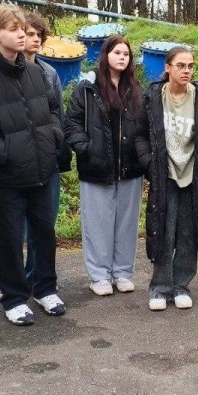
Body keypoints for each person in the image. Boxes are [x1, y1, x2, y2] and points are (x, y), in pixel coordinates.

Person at [0, 4, 66, 326]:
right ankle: (15, 298)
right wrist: (3, 153)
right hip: (4, 176)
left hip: (42, 169)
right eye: (13, 29)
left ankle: (45, 289)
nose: (21, 35)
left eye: (22, 29)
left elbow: (52, 110)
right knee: (7, 238)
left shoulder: (36, 72)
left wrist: (52, 138)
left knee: (44, 232)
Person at [0, 11, 71, 299]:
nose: (31, 38)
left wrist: (55, 143)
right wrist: (4, 151)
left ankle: (36, 278)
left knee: (43, 225)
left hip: (45, 160)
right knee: (12, 229)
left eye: (37, 34)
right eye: (26, 32)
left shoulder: (47, 73)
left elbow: (56, 113)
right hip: (12, 166)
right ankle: (2, 279)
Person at [134, 46, 198, 311]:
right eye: (181, 65)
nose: (187, 71)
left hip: (194, 175)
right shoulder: (152, 98)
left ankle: (182, 286)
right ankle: (160, 288)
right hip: (165, 174)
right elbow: (139, 134)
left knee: (189, 232)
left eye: (190, 66)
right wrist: (149, 163)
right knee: (163, 230)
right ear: (168, 68)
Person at [64, 34, 146, 295]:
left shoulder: (135, 89)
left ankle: (122, 272)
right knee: (97, 224)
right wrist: (86, 149)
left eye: (126, 54)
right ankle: (99, 276)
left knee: (126, 224)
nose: (122, 57)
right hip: (97, 167)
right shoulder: (87, 88)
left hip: (130, 167)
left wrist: (142, 154)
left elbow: (145, 125)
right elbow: (72, 123)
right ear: (105, 55)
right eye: (117, 53)